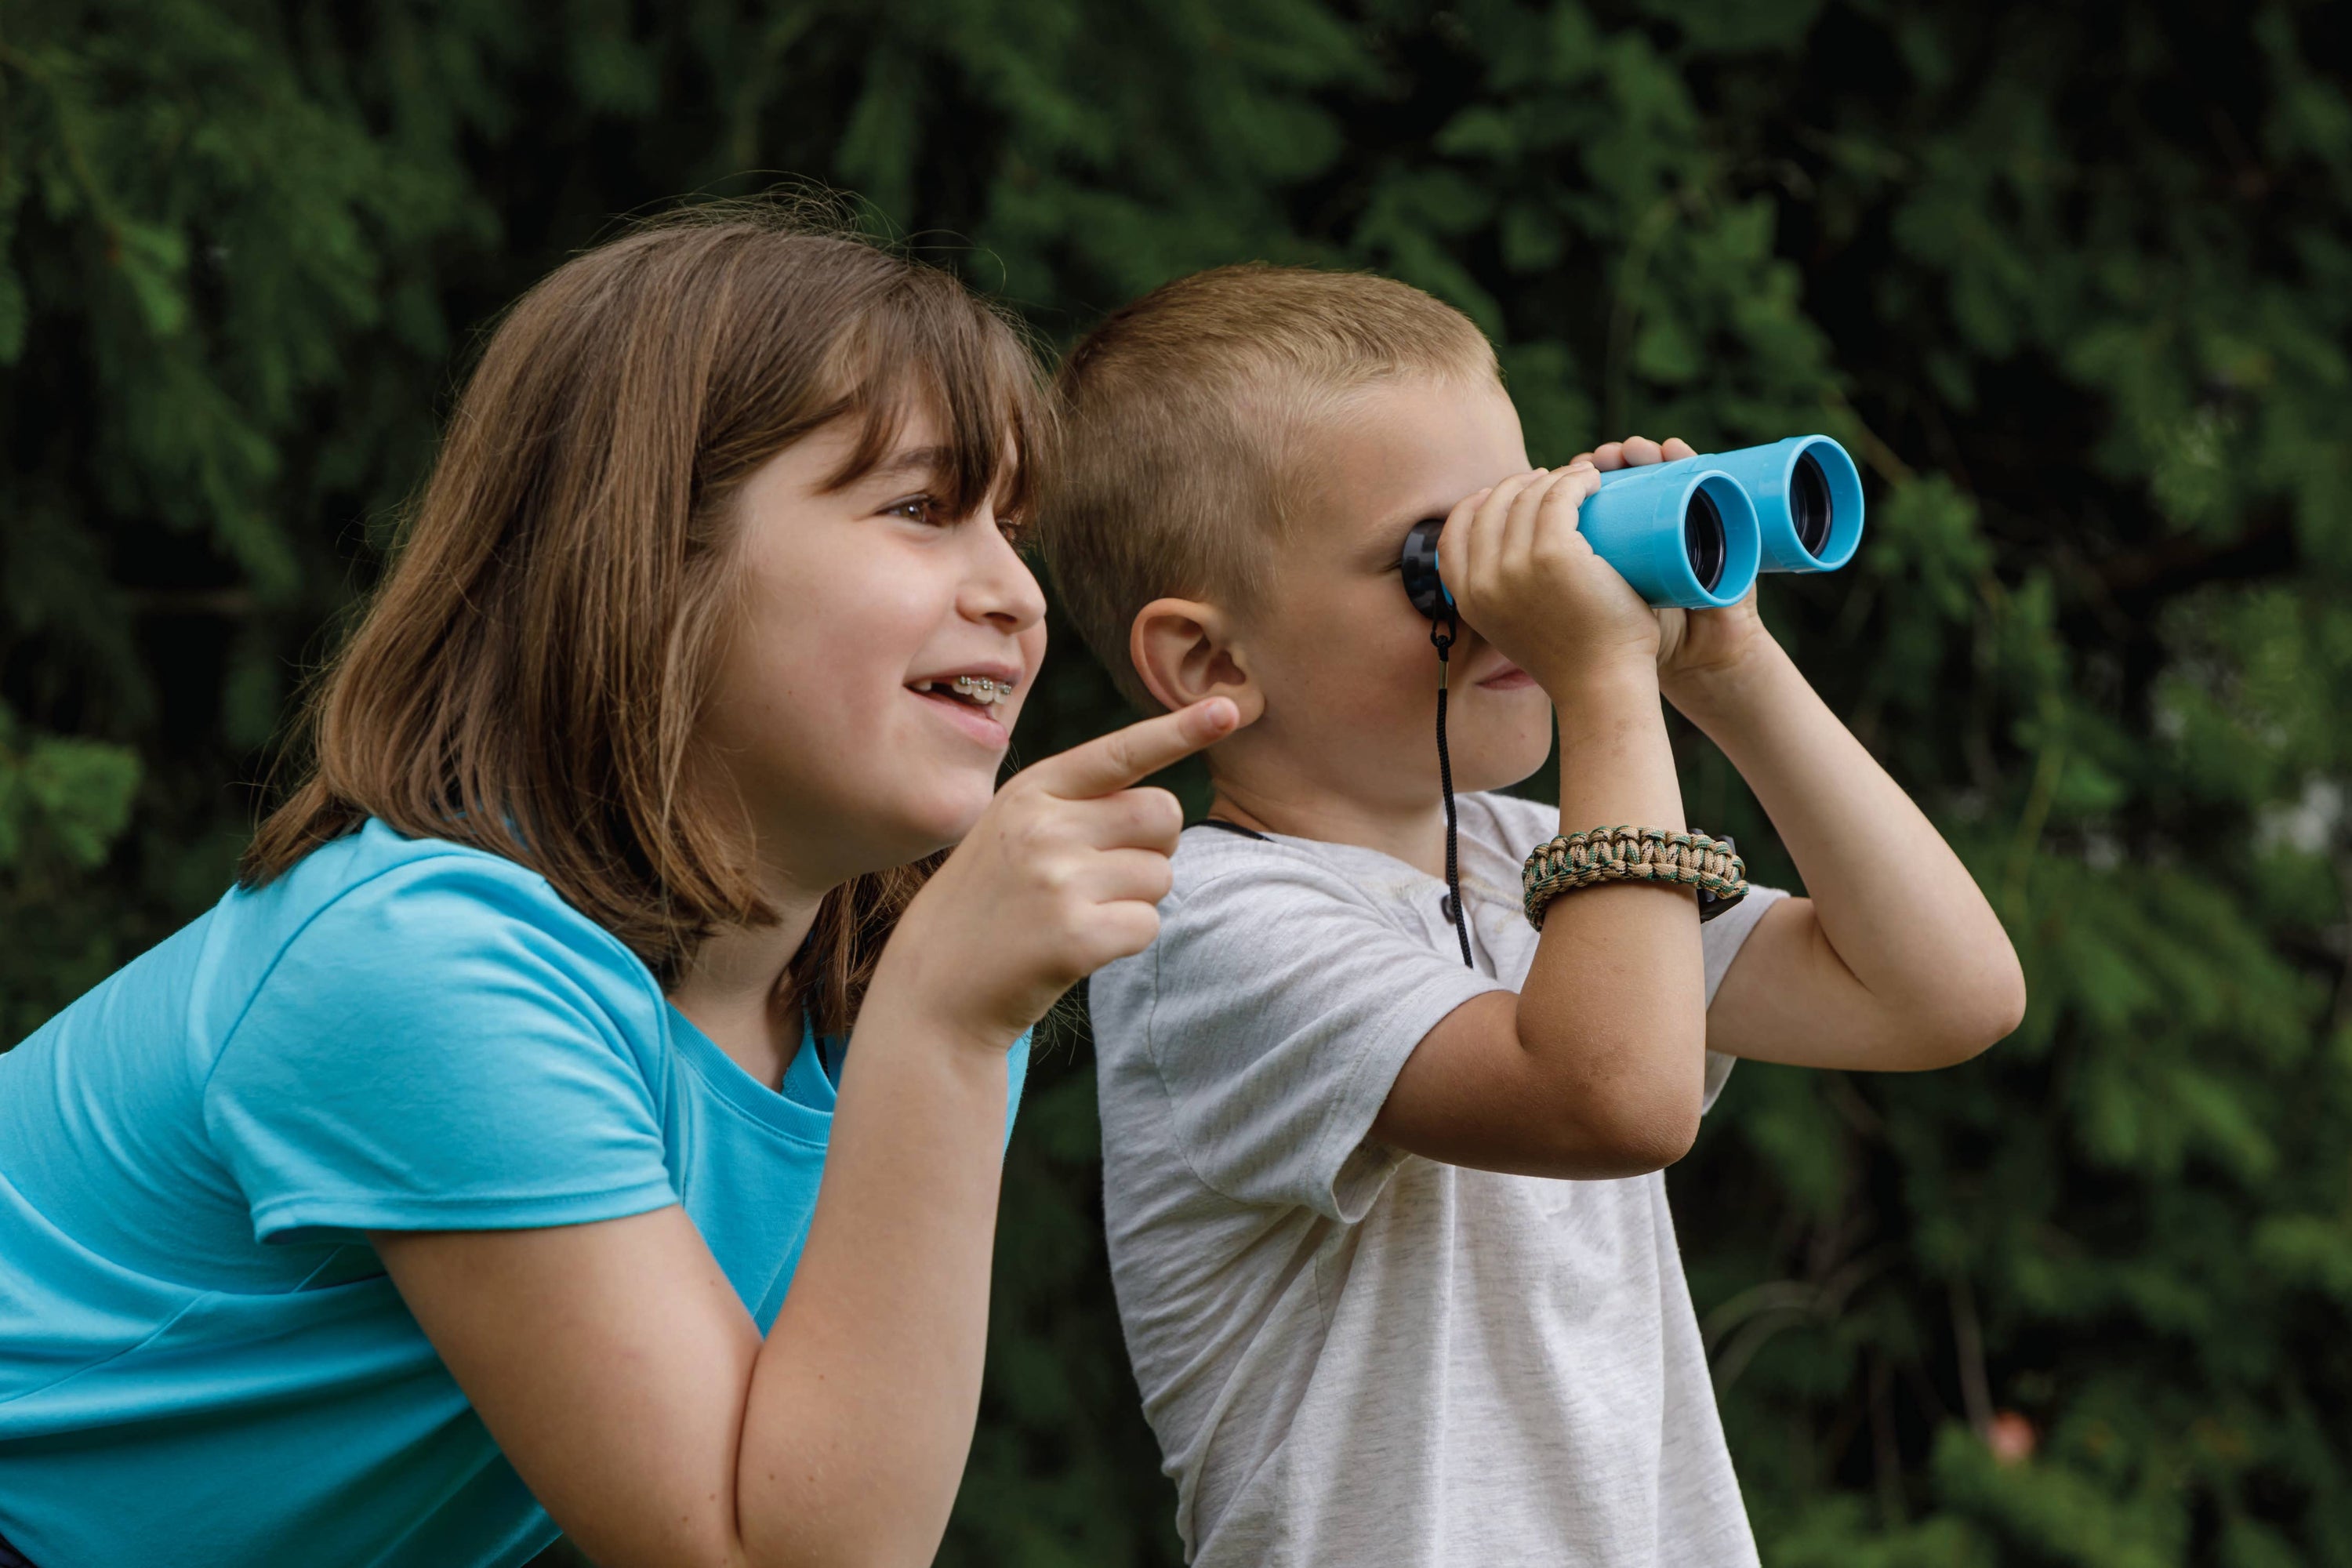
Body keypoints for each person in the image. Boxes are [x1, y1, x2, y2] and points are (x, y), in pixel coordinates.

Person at [0, 206, 1238, 1568]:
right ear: (652, 554)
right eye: (922, 509)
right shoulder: (426, 962)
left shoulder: (900, 998)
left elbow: (804, 1486)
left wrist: (940, 1028)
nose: (1015, 591)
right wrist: (943, 1033)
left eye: (1016, 526)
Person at [1037, 263, 2027, 1566]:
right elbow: (1616, 1097)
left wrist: (1726, 665)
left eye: (1526, 520)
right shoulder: (1208, 933)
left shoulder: (1530, 862)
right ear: (1212, 662)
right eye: (1439, 558)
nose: (1520, 588)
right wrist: (1610, 681)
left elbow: (1944, 994)